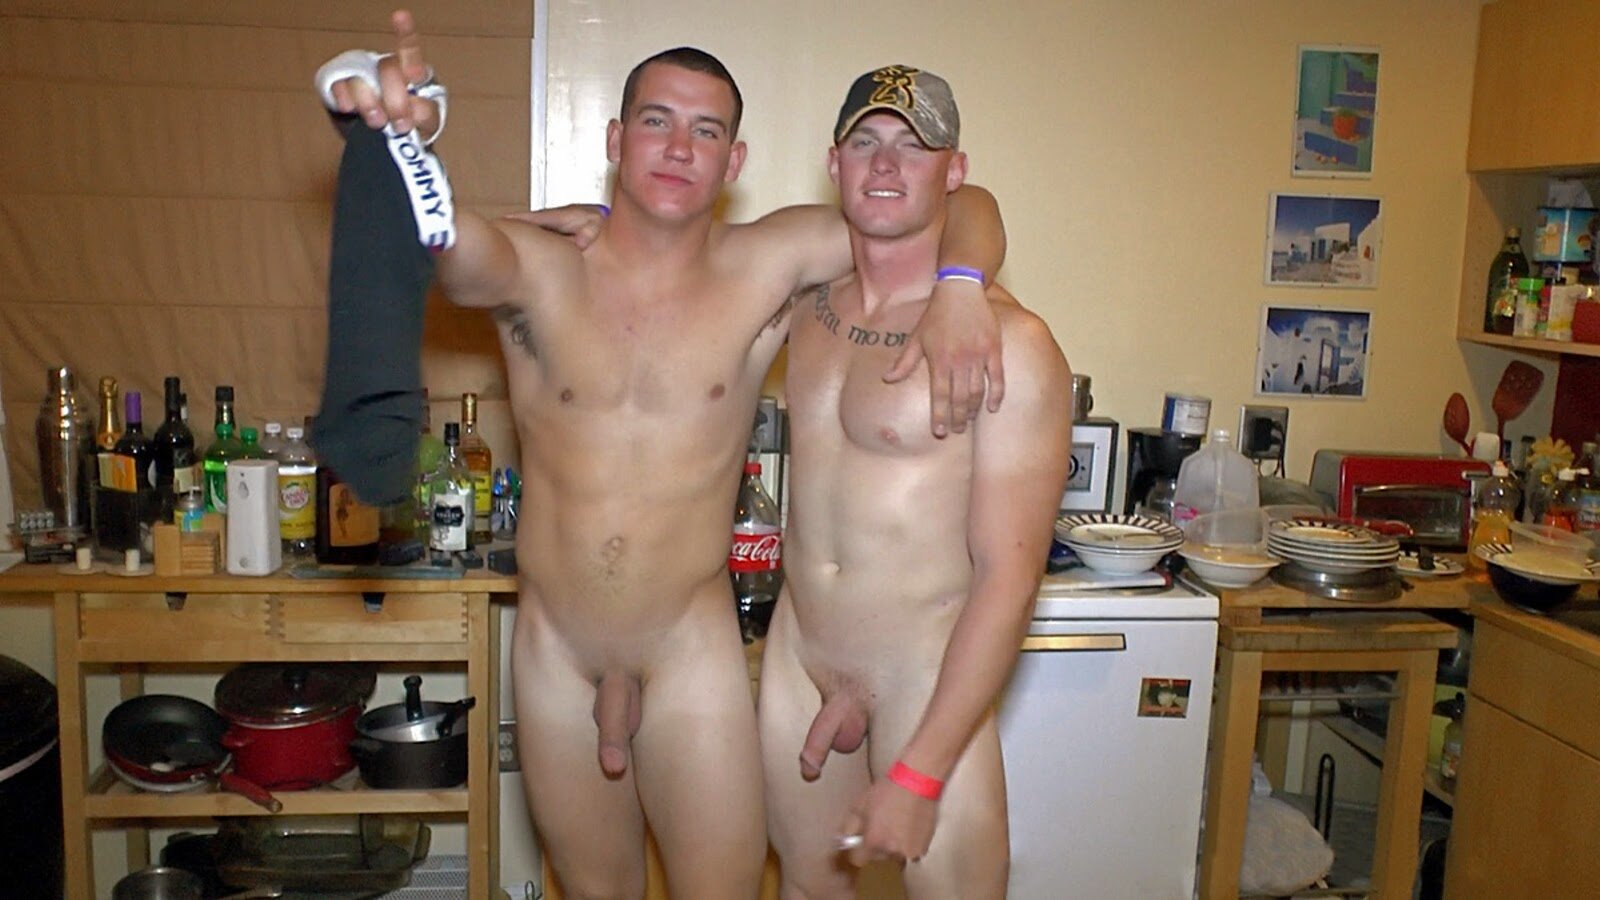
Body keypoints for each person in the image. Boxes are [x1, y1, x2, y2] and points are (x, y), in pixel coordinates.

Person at [318, 14, 1012, 899]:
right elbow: (447, 243)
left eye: (706, 130)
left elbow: (957, 205)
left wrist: (962, 286)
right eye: (657, 121)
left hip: (690, 648)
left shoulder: (769, 263)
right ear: (616, 140)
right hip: (556, 647)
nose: (680, 147)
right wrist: (400, 139)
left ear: (735, 160)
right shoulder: (542, 266)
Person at [756, 65, 1073, 899]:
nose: (887, 163)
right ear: (835, 163)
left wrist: (921, 772)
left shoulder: (1007, 342)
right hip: (800, 658)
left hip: (924, 678)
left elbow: (1010, 578)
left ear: (954, 170)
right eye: (866, 141)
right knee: (804, 889)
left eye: (913, 145)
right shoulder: (804, 309)